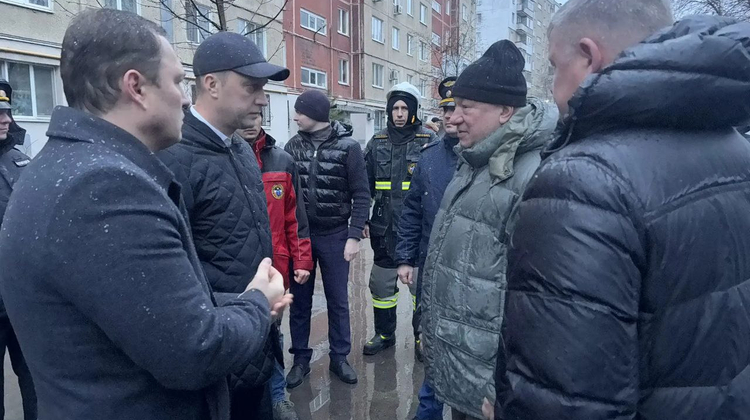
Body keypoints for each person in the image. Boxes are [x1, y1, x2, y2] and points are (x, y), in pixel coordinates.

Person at [0, 9, 291, 420]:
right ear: (135, 87)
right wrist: (258, 302)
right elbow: (193, 350)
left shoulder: (66, 165)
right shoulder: (103, 187)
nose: (185, 98)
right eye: (176, 81)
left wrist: (241, 301)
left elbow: (145, 306)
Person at [495, 1, 750, 420]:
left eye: (555, 67)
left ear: (588, 55)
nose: (553, 87)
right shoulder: (737, 149)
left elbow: (566, 400)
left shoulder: (583, 180)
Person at [419, 40, 557, 420]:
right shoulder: (474, 161)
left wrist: (507, 387)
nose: (453, 118)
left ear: (505, 112)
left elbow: (536, 304)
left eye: (467, 107)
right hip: (465, 369)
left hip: (492, 389)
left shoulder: (533, 176)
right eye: (453, 106)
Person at [157, 31, 290, 420]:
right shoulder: (172, 159)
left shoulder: (241, 149)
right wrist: (247, 308)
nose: (263, 98)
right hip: (216, 365)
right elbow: (173, 281)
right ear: (211, 85)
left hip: (256, 344)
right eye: (251, 87)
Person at [283, 90, 370, 387]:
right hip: (302, 237)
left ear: (315, 114)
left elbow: (362, 194)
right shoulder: (292, 146)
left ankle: (339, 358)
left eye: (300, 112)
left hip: (335, 234)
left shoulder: (349, 148)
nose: (295, 117)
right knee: (299, 301)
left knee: (338, 300)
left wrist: (354, 235)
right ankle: (301, 360)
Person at [234, 113, 313, 420]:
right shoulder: (223, 158)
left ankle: (278, 396)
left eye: (255, 116)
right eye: (244, 116)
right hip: (236, 267)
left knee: (272, 333)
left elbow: (295, 218)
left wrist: (302, 260)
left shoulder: (282, 160)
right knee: (238, 335)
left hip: (275, 268)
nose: (249, 123)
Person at [395, 77, 459, 420]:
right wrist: (405, 258)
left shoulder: (483, 157)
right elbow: (411, 211)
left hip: (467, 274)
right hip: (430, 267)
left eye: (457, 108)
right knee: (431, 343)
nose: (450, 116)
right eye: (445, 109)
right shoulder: (430, 157)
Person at [363, 82, 436, 356]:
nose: (400, 114)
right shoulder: (377, 142)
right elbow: (364, 186)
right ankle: (384, 334)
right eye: (395, 108)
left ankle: (421, 337)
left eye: (405, 108)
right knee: (381, 286)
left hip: (416, 231)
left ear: (414, 110)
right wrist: (361, 220)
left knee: (419, 287)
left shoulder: (429, 141)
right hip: (383, 229)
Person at [0, 80, 36, 420]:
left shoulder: (21, 162)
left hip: (25, 301)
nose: (6, 119)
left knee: (38, 386)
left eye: (7, 111)